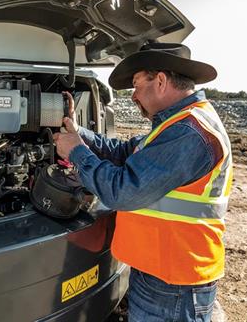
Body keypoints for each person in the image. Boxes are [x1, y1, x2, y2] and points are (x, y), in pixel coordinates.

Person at [54, 43, 233, 322]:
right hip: (162, 274)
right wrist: (80, 133)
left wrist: (76, 152)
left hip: (173, 286)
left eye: (136, 85)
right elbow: (122, 152)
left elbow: (122, 191)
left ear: (160, 81)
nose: (133, 96)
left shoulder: (189, 132)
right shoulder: (174, 125)